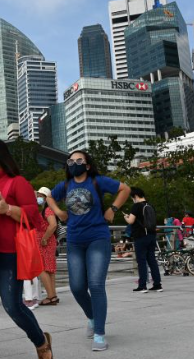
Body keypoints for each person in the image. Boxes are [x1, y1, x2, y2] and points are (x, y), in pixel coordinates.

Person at [0, 138, 53, 359]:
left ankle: (41, 341)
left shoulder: (18, 182)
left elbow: (34, 217)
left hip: (9, 253)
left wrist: (8, 209)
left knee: (13, 306)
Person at [46, 150, 131, 352]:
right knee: (76, 287)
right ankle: (92, 317)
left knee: (95, 284)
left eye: (79, 160)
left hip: (97, 238)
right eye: (70, 161)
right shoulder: (65, 186)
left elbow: (125, 189)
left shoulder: (97, 181)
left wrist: (113, 209)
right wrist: (58, 212)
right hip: (75, 241)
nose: (74, 163)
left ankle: (100, 333)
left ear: (87, 165)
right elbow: (48, 196)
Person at [123, 188, 162, 293]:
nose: (132, 200)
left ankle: (142, 285)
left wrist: (126, 217)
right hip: (151, 235)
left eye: (132, 198)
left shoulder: (136, 206)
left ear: (135, 196)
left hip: (140, 236)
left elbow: (131, 221)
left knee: (141, 261)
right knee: (152, 260)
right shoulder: (150, 205)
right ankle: (157, 284)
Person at [35, 187, 59, 306]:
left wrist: (44, 238)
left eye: (40, 195)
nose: (38, 197)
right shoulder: (44, 209)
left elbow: (53, 225)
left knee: (42, 268)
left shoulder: (48, 210)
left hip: (45, 242)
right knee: (49, 269)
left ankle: (51, 296)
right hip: (45, 241)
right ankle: (52, 295)